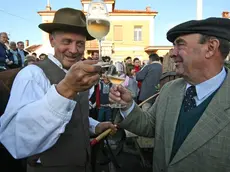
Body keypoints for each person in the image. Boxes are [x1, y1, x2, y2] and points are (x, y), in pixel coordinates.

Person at [0, 8, 116, 172]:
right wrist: (65, 89)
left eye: (80, 44)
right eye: (67, 41)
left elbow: (75, 116)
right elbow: (15, 139)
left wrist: (95, 126)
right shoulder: (32, 75)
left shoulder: (79, 74)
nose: (74, 50)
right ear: (52, 40)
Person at [109, 17, 230, 172]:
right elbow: (150, 126)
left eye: (180, 45)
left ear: (211, 48)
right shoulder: (170, 89)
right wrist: (127, 106)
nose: (172, 53)